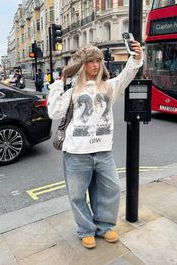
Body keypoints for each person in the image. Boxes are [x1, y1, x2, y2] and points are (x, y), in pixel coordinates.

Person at [48, 42, 143, 249]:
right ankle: (86, 229)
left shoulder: (109, 87)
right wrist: (57, 85)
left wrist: (136, 57)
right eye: (90, 61)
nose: (95, 65)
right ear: (82, 65)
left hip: (103, 152)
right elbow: (54, 113)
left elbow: (127, 74)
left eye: (98, 60)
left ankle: (104, 226)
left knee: (111, 189)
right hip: (76, 153)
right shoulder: (72, 91)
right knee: (77, 195)